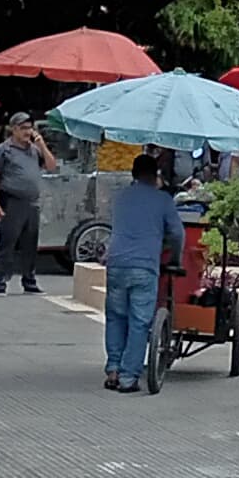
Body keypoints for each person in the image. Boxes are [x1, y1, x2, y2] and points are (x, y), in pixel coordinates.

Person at [100, 151, 178, 393]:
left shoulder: (121, 197)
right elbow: (177, 233)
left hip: (116, 264)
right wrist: (175, 257)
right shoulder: (163, 200)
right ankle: (128, 377)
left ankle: (113, 369)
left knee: (115, 317)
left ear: (133, 174)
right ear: (155, 175)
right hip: (144, 266)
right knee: (139, 322)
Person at [0, 116, 58, 294]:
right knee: (8, 241)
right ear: (14, 129)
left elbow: (51, 166)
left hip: (32, 202)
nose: (27, 131)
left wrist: (42, 145)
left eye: (29, 127)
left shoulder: (34, 150)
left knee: (30, 243)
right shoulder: (4, 150)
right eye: (23, 128)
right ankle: (1, 280)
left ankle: (29, 280)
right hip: (12, 200)